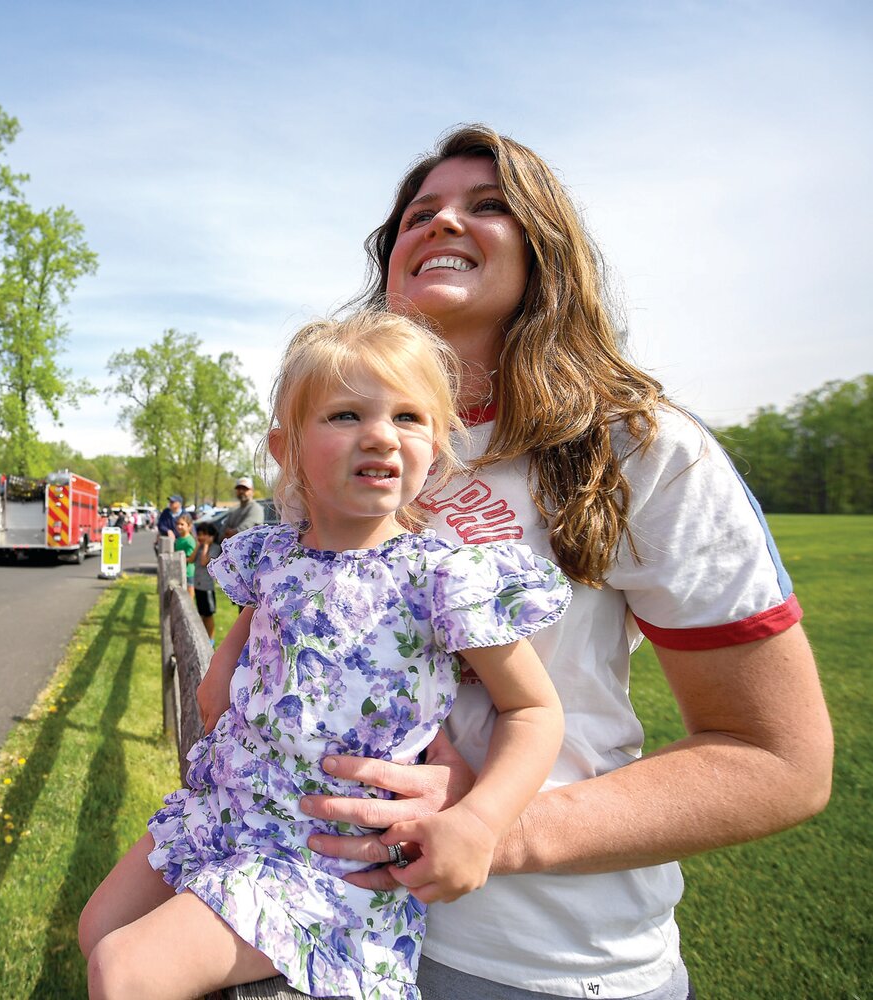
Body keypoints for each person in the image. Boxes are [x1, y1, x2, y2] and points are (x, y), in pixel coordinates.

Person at [296, 125, 833, 999]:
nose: (442, 224)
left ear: (545, 248)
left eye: (487, 206)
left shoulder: (643, 449)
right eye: (418, 214)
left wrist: (490, 831)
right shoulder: (335, 439)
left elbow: (776, 759)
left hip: (540, 961)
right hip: (320, 917)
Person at [79, 310, 570, 999]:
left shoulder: (443, 579)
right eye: (345, 415)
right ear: (287, 448)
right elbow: (250, 625)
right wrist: (219, 674)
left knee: (126, 969)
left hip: (321, 859)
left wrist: (481, 821)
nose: (379, 435)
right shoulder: (275, 551)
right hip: (227, 807)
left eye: (408, 416)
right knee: (97, 926)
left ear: (439, 442)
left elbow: (535, 708)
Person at [192, 519, 222, 639]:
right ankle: (204, 637)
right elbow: (190, 559)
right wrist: (198, 546)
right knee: (202, 614)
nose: (200, 537)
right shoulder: (199, 548)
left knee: (208, 615)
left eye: (204, 534)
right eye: (199, 534)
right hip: (198, 585)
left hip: (207, 587)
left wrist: (205, 546)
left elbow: (204, 561)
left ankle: (211, 640)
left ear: (211, 536)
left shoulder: (214, 548)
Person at [171, 512, 196, 582]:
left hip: (188, 572)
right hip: (179, 571)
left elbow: (189, 558)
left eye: (182, 524)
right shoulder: (178, 539)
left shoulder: (190, 541)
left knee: (188, 592)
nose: (179, 526)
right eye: (177, 524)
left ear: (189, 526)